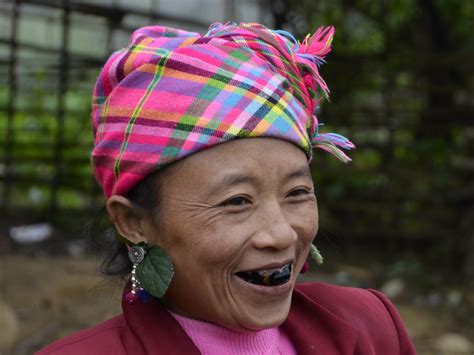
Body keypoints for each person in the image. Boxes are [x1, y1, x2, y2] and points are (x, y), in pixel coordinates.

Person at [37, 22, 416, 354]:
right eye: (237, 201)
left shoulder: (370, 328)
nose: (282, 233)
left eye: (297, 193)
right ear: (133, 221)